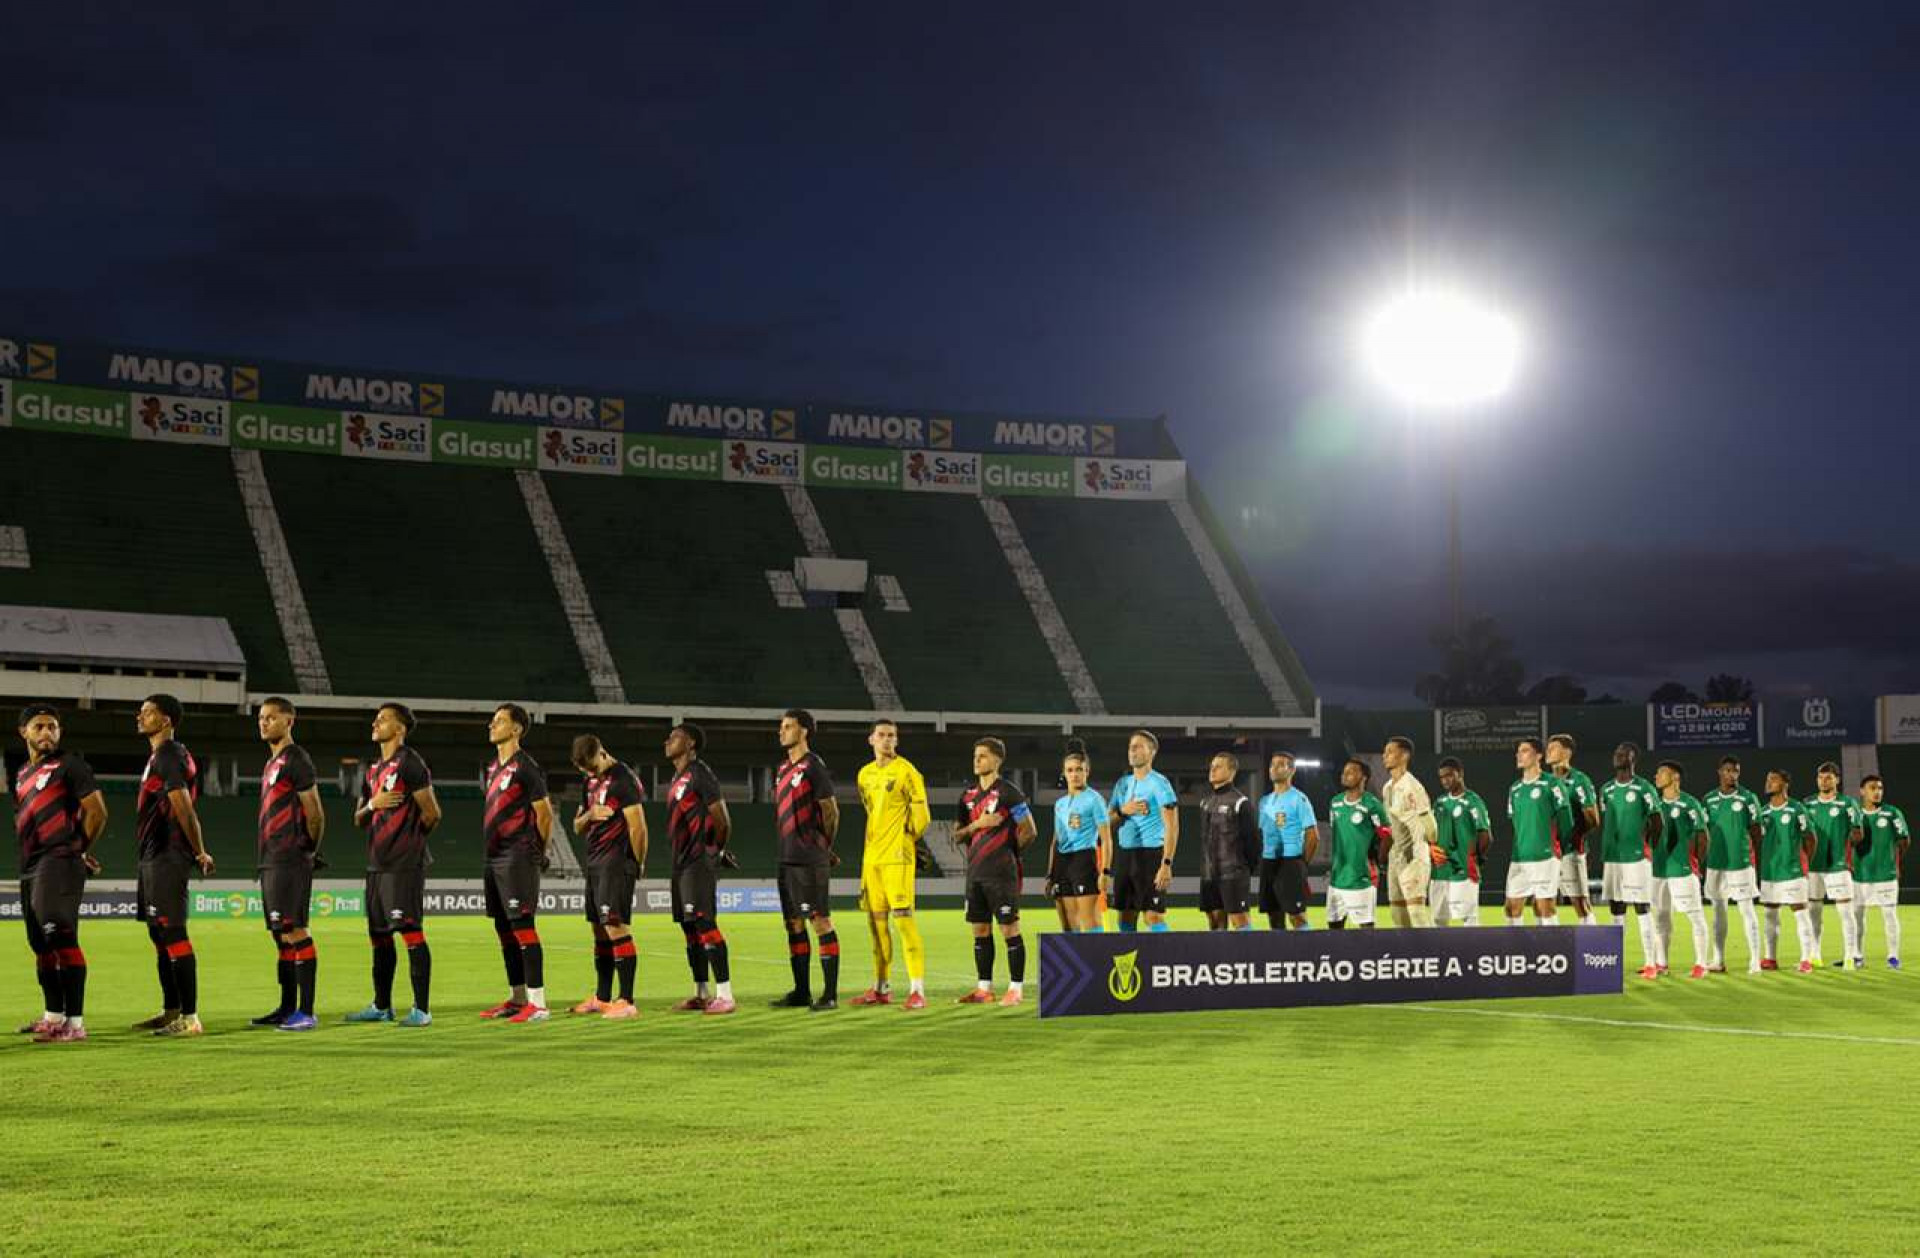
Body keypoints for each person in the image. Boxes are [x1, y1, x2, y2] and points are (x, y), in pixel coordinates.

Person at [12, 704, 106, 1043]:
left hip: (59, 860)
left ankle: (75, 1024)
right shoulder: (22, 774)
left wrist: (78, 849)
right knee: (39, 943)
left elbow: (97, 812)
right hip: (30, 865)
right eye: (39, 727)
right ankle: (53, 1016)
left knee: (60, 936)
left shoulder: (71, 766)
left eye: (53, 727)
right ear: (23, 732)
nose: (47, 733)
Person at [349, 703, 441, 1026]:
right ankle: (382, 1005)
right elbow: (358, 818)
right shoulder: (373, 770)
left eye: (384, 718)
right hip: (376, 863)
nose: (376, 722)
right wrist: (373, 804)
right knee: (378, 935)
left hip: (403, 863)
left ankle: (422, 1010)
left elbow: (432, 813)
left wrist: (409, 841)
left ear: (400, 728)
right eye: (376, 717)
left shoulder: (411, 763)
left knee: (410, 931)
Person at [133, 694, 213, 1038]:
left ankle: (191, 1018)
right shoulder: (157, 756)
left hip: (169, 853)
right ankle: (172, 1010)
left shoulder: (170, 754)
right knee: (159, 933)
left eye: (148, 712)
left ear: (166, 720)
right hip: (152, 854)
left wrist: (199, 851)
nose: (140, 717)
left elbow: (183, 806)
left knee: (173, 931)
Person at [252, 697, 325, 1032]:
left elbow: (315, 813)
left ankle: (306, 1011)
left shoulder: (296, 758)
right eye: (261, 718)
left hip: (289, 857)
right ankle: (286, 1007)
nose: (264, 723)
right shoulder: (272, 763)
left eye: (271, 717)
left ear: (289, 721)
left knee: (295, 930)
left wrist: (307, 848)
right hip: (270, 859)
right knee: (281, 935)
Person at [479, 703, 554, 1023]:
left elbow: (545, 813)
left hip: (517, 856)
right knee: (503, 927)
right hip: (493, 857)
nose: (491, 726)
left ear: (517, 729)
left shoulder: (526, 766)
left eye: (499, 721)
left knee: (522, 925)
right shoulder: (494, 768)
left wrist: (537, 850)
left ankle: (538, 1003)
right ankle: (518, 996)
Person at [852, 719, 931, 1008]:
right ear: (871, 739)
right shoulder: (864, 775)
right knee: (876, 927)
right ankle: (881, 987)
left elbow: (923, 817)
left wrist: (905, 839)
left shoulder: (908, 772)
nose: (887, 740)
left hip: (897, 858)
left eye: (892, 736)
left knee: (904, 923)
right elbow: (872, 812)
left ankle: (917, 991)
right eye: (882, 735)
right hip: (871, 859)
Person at [569, 735, 647, 1019]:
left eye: (591, 767)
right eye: (583, 770)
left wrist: (637, 863)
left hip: (616, 862)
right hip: (593, 861)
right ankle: (602, 998)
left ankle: (626, 1001)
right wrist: (590, 814)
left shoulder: (623, 780)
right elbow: (577, 825)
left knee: (615, 927)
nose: (588, 774)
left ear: (602, 753)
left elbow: (638, 827)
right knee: (598, 929)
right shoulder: (588, 781)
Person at [954, 738, 1036, 1006]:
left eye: (983, 756)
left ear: (997, 760)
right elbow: (957, 836)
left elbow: (1029, 830)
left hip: (1002, 874)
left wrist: (1009, 853)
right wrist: (978, 824)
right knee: (980, 931)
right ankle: (984, 989)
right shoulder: (966, 797)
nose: (977, 760)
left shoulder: (1009, 792)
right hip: (975, 874)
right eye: (975, 756)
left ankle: (1016, 989)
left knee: (1009, 929)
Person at [662, 722, 736, 1015]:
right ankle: (701, 993)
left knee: (705, 924)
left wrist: (714, 851)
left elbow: (722, 819)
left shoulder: (700, 774)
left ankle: (726, 995)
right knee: (689, 927)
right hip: (680, 862)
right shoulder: (677, 777)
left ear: (690, 742)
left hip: (697, 860)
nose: (667, 741)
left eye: (674, 737)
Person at [770, 709, 841, 1012]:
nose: (781, 732)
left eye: (788, 727)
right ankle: (801, 991)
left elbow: (830, 810)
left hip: (809, 856)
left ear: (804, 732)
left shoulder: (814, 766)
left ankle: (830, 995)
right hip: (786, 857)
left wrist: (825, 845)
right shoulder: (783, 768)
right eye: (781, 727)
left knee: (819, 921)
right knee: (792, 924)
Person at [1596, 742, 1661, 969]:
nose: (1618, 756)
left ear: (1633, 759)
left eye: (1623, 753)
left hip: (1637, 857)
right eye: (1616, 752)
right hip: (1613, 856)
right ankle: (1616, 962)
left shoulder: (1644, 788)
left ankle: (1651, 963)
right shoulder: (1606, 790)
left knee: (1642, 907)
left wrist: (1645, 845)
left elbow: (1657, 821)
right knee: (1616, 908)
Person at [1106, 730, 1179, 932]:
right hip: (1125, 855)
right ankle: (1134, 963)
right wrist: (1123, 811)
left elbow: (1172, 826)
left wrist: (1166, 864)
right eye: (1131, 747)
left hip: (1151, 855)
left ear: (1152, 752)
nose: (1132, 751)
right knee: (1125, 917)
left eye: (1138, 746)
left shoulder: (1160, 783)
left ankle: (1164, 960)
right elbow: (1106, 822)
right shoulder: (1122, 784)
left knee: (1153, 917)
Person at [1702, 756, 1764, 974]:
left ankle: (1755, 960)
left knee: (1747, 910)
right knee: (1718, 912)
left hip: (1741, 863)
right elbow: (1704, 832)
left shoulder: (1749, 798)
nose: (1732, 775)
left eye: (1735, 771)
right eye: (1727, 770)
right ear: (1719, 771)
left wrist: (1756, 862)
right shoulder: (1709, 800)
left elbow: (1757, 832)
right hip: (1716, 863)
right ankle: (1718, 960)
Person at [1649, 762, 1711, 980]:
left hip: (1682, 869)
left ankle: (1701, 963)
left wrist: (1694, 863)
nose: (1656, 776)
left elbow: (1703, 836)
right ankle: (1661, 963)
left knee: (1694, 915)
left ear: (1674, 777)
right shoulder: (1654, 803)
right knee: (1661, 918)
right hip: (1657, 870)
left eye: (1661, 772)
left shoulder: (1689, 803)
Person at [1505, 738, 1573, 926]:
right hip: (1519, 858)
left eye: (1525, 751)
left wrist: (1558, 850)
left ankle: (1556, 951)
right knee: (1511, 908)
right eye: (1518, 751)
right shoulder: (1515, 789)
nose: (1519, 755)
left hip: (1545, 857)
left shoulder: (1552, 784)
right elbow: (1517, 824)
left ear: (1539, 756)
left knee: (1545, 907)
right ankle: (1516, 952)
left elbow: (1566, 822)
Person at [1801, 761, 1863, 969]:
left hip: (1838, 866)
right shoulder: (1807, 804)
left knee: (1845, 912)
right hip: (1814, 867)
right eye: (1820, 777)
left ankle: (1849, 956)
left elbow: (1858, 831)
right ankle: (1814, 954)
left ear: (1838, 779)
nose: (1823, 781)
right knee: (1814, 912)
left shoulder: (1848, 804)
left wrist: (1849, 841)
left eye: (1828, 777)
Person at [1756, 770, 1817, 974]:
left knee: (1800, 912)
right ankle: (1770, 958)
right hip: (1770, 873)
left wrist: (1802, 861)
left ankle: (1806, 959)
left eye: (1773, 779)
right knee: (1770, 914)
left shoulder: (1796, 809)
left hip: (1792, 871)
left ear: (1785, 784)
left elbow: (1810, 838)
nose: (1768, 783)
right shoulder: (1762, 812)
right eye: (1767, 779)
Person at [1048, 746, 1110, 933]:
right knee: (1068, 924)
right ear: (1064, 773)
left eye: (1079, 769)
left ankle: (1098, 961)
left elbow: (1106, 839)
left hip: (1084, 860)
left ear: (1087, 772)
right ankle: (1073, 962)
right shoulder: (1060, 804)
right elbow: (1055, 841)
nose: (1074, 774)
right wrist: (1050, 874)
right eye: (1070, 770)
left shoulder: (1095, 800)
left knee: (1090, 921)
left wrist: (1105, 872)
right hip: (1062, 863)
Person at [1380, 736, 1440, 928]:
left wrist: (1431, 843)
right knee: (1397, 914)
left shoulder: (1412, 786)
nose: (1385, 755)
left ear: (1404, 755)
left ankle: (1431, 955)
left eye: (1390, 751)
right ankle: (1407, 954)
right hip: (1395, 857)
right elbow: (1391, 825)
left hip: (1414, 856)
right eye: (1385, 751)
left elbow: (1429, 821)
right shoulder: (1387, 787)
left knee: (1417, 912)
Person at [1849, 774, 1907, 969]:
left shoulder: (1892, 813)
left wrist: (1894, 862)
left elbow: (1904, 840)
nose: (1877, 792)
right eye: (1872, 788)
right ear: (1862, 791)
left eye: (1880, 788)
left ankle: (1893, 956)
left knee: (1889, 915)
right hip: (1860, 876)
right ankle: (1857, 955)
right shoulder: (1855, 814)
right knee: (1857, 916)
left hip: (1885, 875)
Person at [1324, 759, 1390, 930]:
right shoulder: (1335, 803)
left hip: (1361, 878)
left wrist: (1380, 860)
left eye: (1351, 771)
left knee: (1366, 931)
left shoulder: (1372, 805)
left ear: (1364, 777)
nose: (1345, 775)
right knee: (1333, 929)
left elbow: (1387, 836)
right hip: (1337, 879)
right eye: (1344, 771)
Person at [1198, 752, 1260, 931]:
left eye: (1218, 766)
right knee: (1215, 922)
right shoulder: (1205, 802)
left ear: (1232, 771)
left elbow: (1253, 841)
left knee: (1239, 921)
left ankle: (1250, 958)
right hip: (1209, 875)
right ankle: (1217, 959)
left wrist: (1244, 869)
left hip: (1233, 874)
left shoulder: (1241, 802)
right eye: (1212, 766)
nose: (1213, 770)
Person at [1257, 751, 1318, 930]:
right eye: (1271, 765)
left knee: (1296, 916)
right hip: (1269, 862)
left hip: (1291, 861)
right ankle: (1279, 955)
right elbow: (1263, 832)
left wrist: (1301, 864)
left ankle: (1307, 953)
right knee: (1273, 914)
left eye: (1280, 764)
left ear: (1292, 770)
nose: (1274, 768)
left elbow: (1313, 835)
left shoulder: (1299, 799)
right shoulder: (1264, 801)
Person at [1428, 758, 1491, 926]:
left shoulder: (1473, 801)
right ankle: (1441, 952)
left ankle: (1472, 952)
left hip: (1463, 870)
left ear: (1460, 774)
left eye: (1449, 775)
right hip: (1439, 871)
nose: (1445, 780)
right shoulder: (1439, 803)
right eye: (1442, 777)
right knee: (1437, 920)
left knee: (1468, 919)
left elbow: (1485, 835)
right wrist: (1431, 849)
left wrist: (1475, 858)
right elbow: (1431, 834)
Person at [1546, 734, 1600, 924]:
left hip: (1570, 851)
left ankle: (1593, 949)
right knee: (1544, 903)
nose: (1548, 751)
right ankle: (1551, 949)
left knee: (1580, 903)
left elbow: (1593, 819)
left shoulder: (1579, 780)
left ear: (1567, 752)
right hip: (1546, 853)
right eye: (1548, 747)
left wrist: (1573, 837)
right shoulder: (1545, 782)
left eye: (1553, 748)